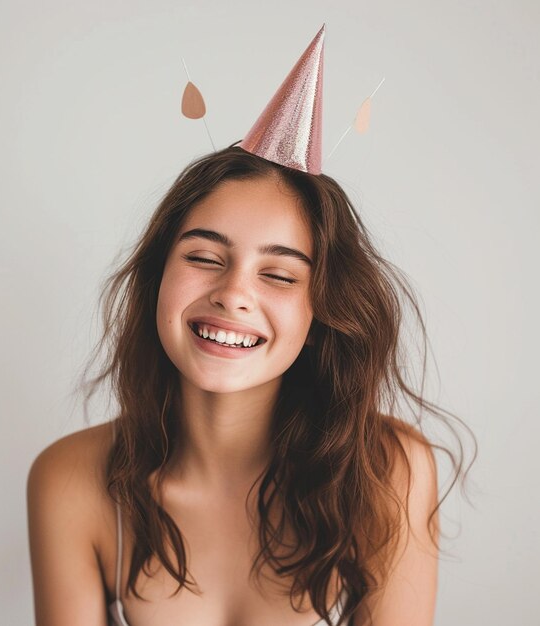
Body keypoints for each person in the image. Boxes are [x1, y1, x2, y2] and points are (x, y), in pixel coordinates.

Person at [27, 26, 472, 626]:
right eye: (204, 258)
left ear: (321, 312)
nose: (233, 294)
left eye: (280, 275)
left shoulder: (388, 472)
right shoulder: (71, 481)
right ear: (158, 277)